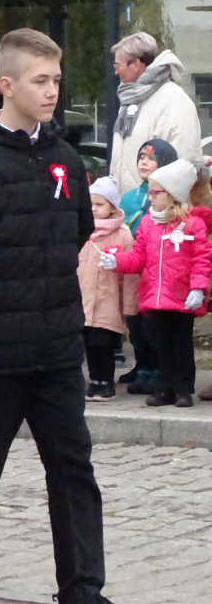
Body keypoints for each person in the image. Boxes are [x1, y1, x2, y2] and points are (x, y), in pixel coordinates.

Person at [0, 28, 142, 604]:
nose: (52, 92)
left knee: (73, 470)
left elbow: (75, 232)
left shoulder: (66, 158)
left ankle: (82, 596)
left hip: (54, 345)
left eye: (56, 80)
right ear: (7, 84)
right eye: (40, 81)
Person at [102, 159, 211, 408]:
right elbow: (139, 256)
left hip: (182, 296)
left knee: (181, 345)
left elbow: (202, 259)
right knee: (161, 345)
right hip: (156, 297)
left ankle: (183, 389)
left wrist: (198, 287)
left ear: (172, 194)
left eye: (155, 192)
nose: (150, 197)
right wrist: (117, 261)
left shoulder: (193, 224)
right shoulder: (149, 224)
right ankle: (164, 389)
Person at [109, 33, 203, 201]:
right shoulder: (130, 99)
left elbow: (183, 165)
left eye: (118, 65)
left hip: (156, 215)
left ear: (136, 64)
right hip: (128, 211)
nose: (115, 72)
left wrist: (159, 211)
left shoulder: (174, 102)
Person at [118, 140, 177, 395]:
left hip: (159, 268)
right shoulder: (130, 197)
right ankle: (143, 365)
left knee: (154, 324)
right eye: (141, 156)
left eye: (151, 157)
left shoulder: (174, 197)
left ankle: (158, 369)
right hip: (134, 268)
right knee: (135, 321)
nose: (143, 161)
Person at [78, 176, 138, 402]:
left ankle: (106, 383)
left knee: (103, 343)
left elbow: (131, 274)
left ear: (112, 207)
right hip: (82, 300)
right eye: (90, 204)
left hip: (108, 300)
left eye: (99, 204)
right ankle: (94, 382)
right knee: (88, 344)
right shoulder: (82, 231)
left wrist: (130, 305)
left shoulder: (122, 234)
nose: (93, 209)